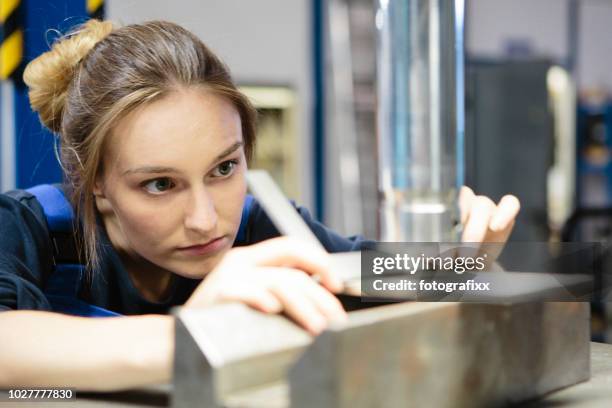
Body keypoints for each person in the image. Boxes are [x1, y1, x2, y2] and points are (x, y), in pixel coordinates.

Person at [0, 19, 520, 391]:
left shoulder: (264, 229)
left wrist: (462, 262)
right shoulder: (27, 227)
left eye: (224, 169)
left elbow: (379, 273)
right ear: (95, 184)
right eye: (160, 184)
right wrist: (194, 336)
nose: (207, 219)